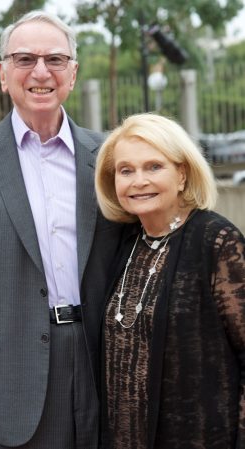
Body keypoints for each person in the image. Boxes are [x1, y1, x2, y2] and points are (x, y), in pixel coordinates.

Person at [0, 10, 127, 449]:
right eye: (24, 59)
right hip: (7, 382)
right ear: (3, 74)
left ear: (74, 72)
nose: (41, 72)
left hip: (102, 368)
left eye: (55, 60)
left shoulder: (110, 158)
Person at [95, 113, 245, 449]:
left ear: (182, 174)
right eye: (126, 170)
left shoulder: (217, 242)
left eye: (153, 167)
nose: (138, 181)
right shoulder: (124, 243)